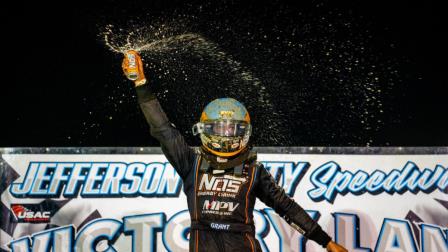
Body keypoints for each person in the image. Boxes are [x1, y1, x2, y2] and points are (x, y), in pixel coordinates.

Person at [122, 50, 347, 252]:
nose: (226, 135)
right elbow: (162, 129)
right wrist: (141, 83)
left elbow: (286, 207)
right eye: (220, 128)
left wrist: (325, 241)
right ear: (205, 129)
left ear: (245, 131)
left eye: (232, 129)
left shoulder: (253, 170)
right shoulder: (191, 162)